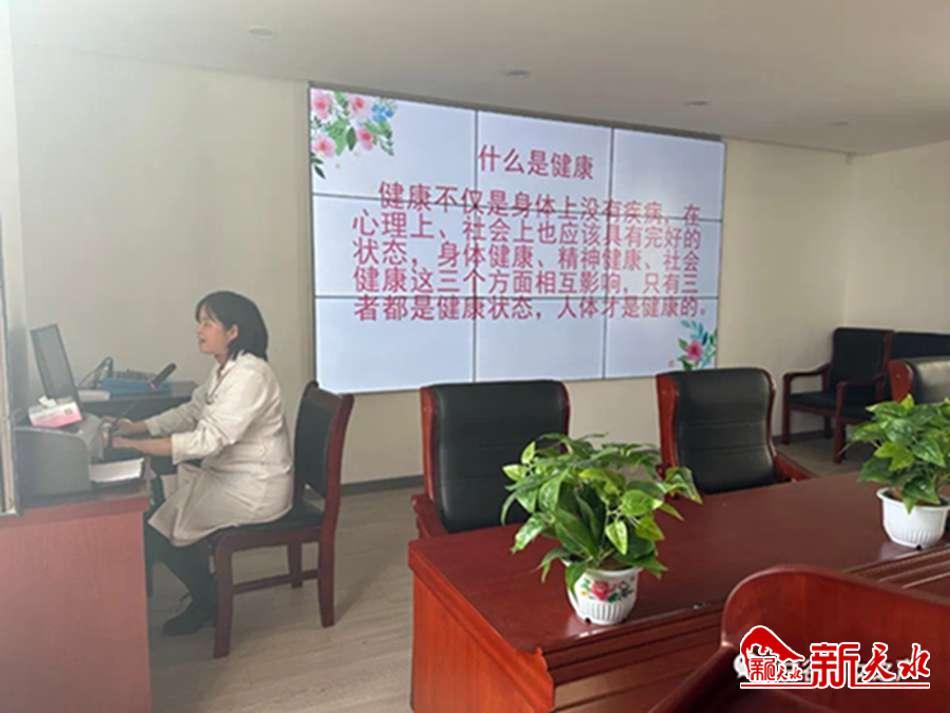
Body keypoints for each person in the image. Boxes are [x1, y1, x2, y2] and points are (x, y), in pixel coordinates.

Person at [110, 291, 293, 635]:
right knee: (158, 521)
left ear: (233, 332)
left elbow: (209, 439)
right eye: (200, 322)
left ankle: (207, 599)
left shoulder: (251, 376)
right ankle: (206, 594)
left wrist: (136, 446)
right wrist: (138, 427)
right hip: (228, 478)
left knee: (155, 531)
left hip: (254, 489)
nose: (199, 330)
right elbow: (192, 412)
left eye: (208, 323)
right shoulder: (225, 368)